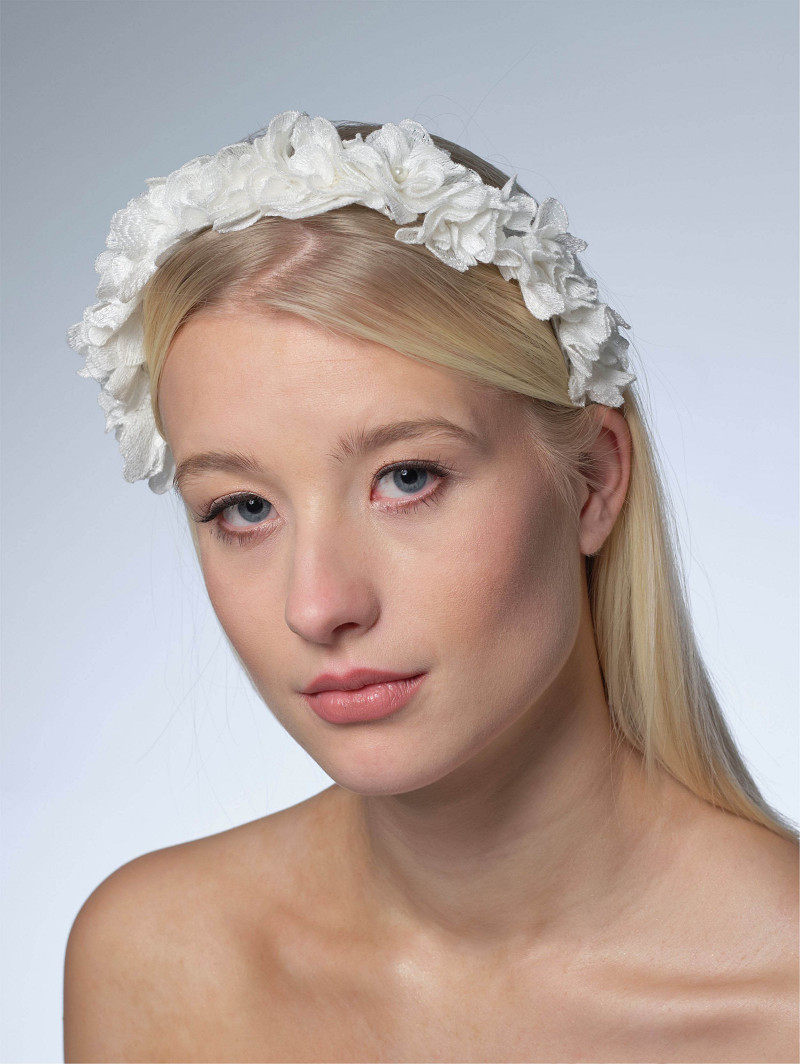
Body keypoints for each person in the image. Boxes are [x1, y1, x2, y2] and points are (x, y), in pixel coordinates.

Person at [63, 111, 798, 1063]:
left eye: (407, 478)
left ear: (593, 480)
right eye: (244, 508)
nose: (317, 606)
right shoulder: (157, 963)